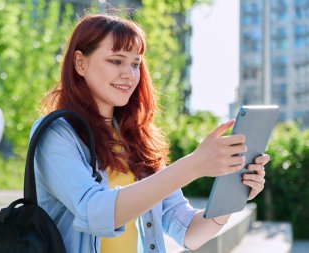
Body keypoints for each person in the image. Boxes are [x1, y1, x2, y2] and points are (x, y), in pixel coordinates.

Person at [31, 14, 269, 253]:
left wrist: (233, 191)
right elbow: (95, 213)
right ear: (80, 63)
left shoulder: (135, 138)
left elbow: (189, 232)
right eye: (116, 61)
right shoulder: (56, 133)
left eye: (135, 64)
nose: (129, 74)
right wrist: (194, 165)